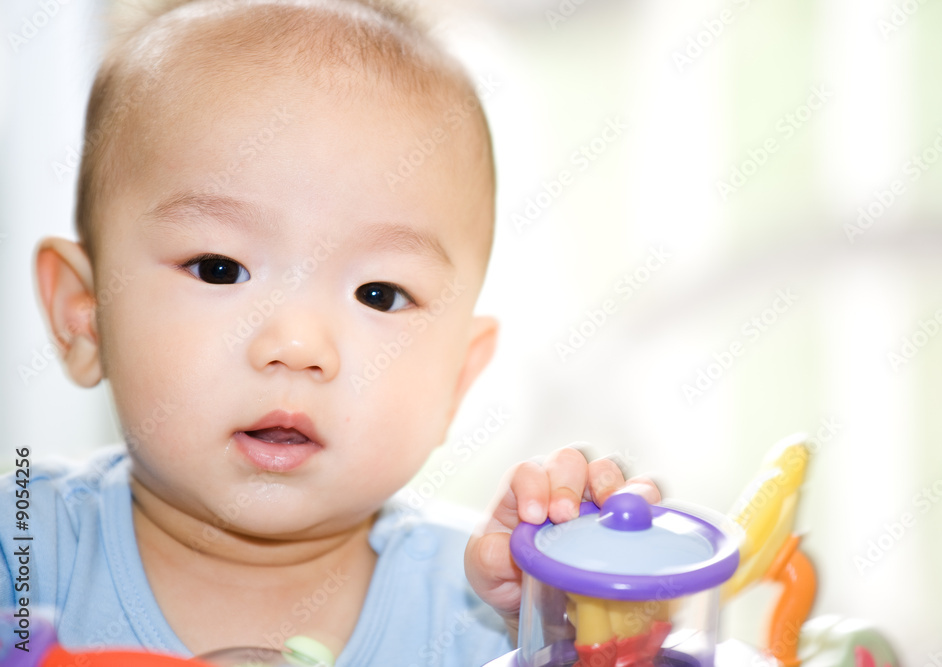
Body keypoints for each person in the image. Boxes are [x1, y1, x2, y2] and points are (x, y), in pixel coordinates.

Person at [0, 0, 659, 664]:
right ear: (83, 315)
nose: (298, 346)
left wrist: (579, 624)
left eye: (380, 294)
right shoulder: (22, 550)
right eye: (219, 268)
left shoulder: (491, 606)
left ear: (456, 381)